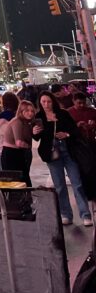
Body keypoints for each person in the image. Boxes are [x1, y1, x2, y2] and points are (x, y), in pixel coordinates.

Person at [34, 91, 93, 226]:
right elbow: (37, 137)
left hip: (67, 150)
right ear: (40, 103)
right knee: (60, 186)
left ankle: (85, 214)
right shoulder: (39, 117)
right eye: (43, 102)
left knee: (77, 183)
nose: (46, 104)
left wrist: (66, 134)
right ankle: (66, 214)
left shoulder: (63, 114)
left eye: (48, 101)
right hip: (52, 153)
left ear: (53, 101)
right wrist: (34, 132)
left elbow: (74, 130)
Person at [1, 100, 36, 186]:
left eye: (32, 111)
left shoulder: (27, 122)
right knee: (17, 182)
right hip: (11, 155)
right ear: (21, 111)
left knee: (24, 181)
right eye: (27, 111)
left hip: (20, 154)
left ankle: (25, 198)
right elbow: (19, 142)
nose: (30, 113)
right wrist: (28, 147)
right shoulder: (17, 121)